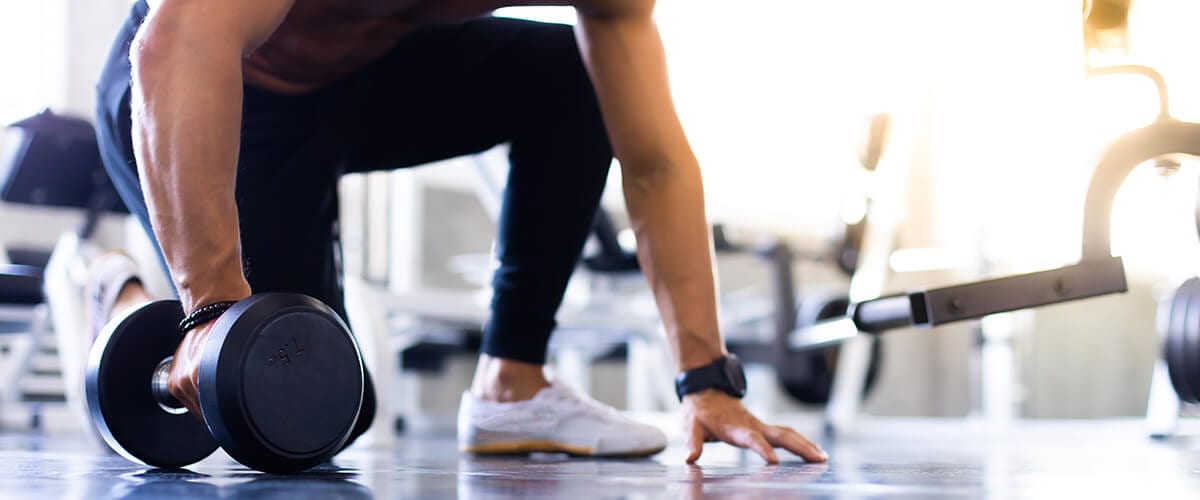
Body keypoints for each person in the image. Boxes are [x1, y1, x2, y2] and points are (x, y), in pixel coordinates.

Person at [90, 0, 827, 464]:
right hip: (202, 89)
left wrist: (706, 385)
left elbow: (657, 164)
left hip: (358, 86)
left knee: (574, 78)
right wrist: (212, 309)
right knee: (304, 419)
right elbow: (176, 45)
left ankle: (513, 385)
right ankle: (118, 290)